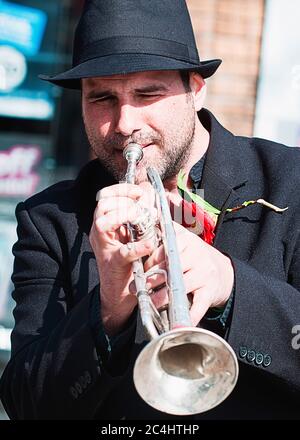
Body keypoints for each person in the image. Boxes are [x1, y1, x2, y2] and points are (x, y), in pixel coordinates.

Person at [0, 0, 300, 420]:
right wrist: (106, 309)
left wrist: (230, 284)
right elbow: (26, 404)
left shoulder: (290, 180)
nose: (124, 124)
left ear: (196, 89)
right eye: (102, 98)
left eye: (147, 94)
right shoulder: (49, 219)